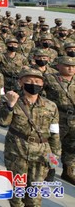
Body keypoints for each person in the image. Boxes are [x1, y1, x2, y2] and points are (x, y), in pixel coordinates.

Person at [0, 67, 61, 207]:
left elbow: (54, 133)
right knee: (17, 190)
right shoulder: (11, 100)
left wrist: (54, 156)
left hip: (41, 153)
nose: (34, 84)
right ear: (21, 83)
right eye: (29, 81)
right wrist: (10, 105)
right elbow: (3, 122)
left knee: (35, 192)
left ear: (42, 84)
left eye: (37, 81)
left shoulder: (50, 106)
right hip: (17, 151)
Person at [43, 56, 75, 185]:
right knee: (53, 145)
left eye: (73, 66)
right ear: (58, 66)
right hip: (57, 118)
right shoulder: (50, 78)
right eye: (67, 65)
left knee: (72, 146)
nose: (71, 68)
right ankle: (50, 169)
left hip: (73, 118)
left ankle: (68, 170)